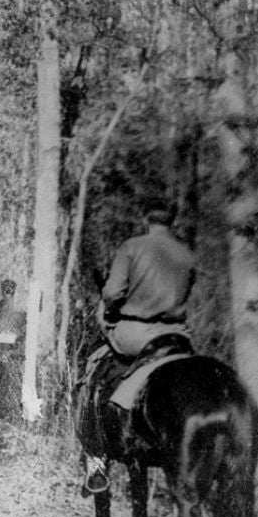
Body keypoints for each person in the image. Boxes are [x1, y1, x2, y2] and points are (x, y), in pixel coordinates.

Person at [80, 197, 196, 494]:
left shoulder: (131, 247)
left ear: (147, 218)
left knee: (94, 369)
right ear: (173, 220)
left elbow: (111, 293)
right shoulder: (186, 254)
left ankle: (95, 460)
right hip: (177, 338)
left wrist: (117, 303)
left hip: (137, 334)